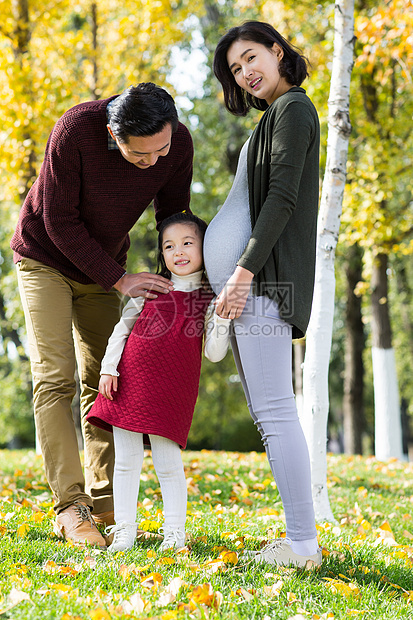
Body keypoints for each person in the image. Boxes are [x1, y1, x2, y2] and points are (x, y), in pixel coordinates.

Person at [11, 82, 195, 548]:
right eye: (141, 156)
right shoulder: (76, 130)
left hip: (104, 268)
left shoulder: (177, 145)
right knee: (55, 376)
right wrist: (119, 278)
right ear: (115, 135)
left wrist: (173, 288)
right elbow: (59, 221)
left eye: (163, 149)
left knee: (106, 379)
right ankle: (70, 506)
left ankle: (108, 499)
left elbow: (173, 217)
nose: (154, 162)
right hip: (44, 258)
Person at [203, 21, 322, 567]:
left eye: (252, 58)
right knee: (267, 414)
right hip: (250, 288)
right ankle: (298, 537)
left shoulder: (294, 108)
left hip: (265, 283)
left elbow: (282, 199)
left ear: (277, 52)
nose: (246, 73)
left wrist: (242, 272)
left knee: (275, 412)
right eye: (236, 69)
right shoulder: (273, 115)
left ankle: (303, 544)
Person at [87, 212, 230, 552]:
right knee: (125, 460)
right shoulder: (151, 288)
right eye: (169, 245)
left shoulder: (209, 300)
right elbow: (122, 329)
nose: (178, 251)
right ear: (161, 254)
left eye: (187, 243)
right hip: (127, 381)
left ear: (204, 248)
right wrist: (109, 368)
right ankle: (124, 531)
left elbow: (213, 353)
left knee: (168, 464)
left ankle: (174, 534)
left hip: (172, 391)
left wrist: (222, 319)